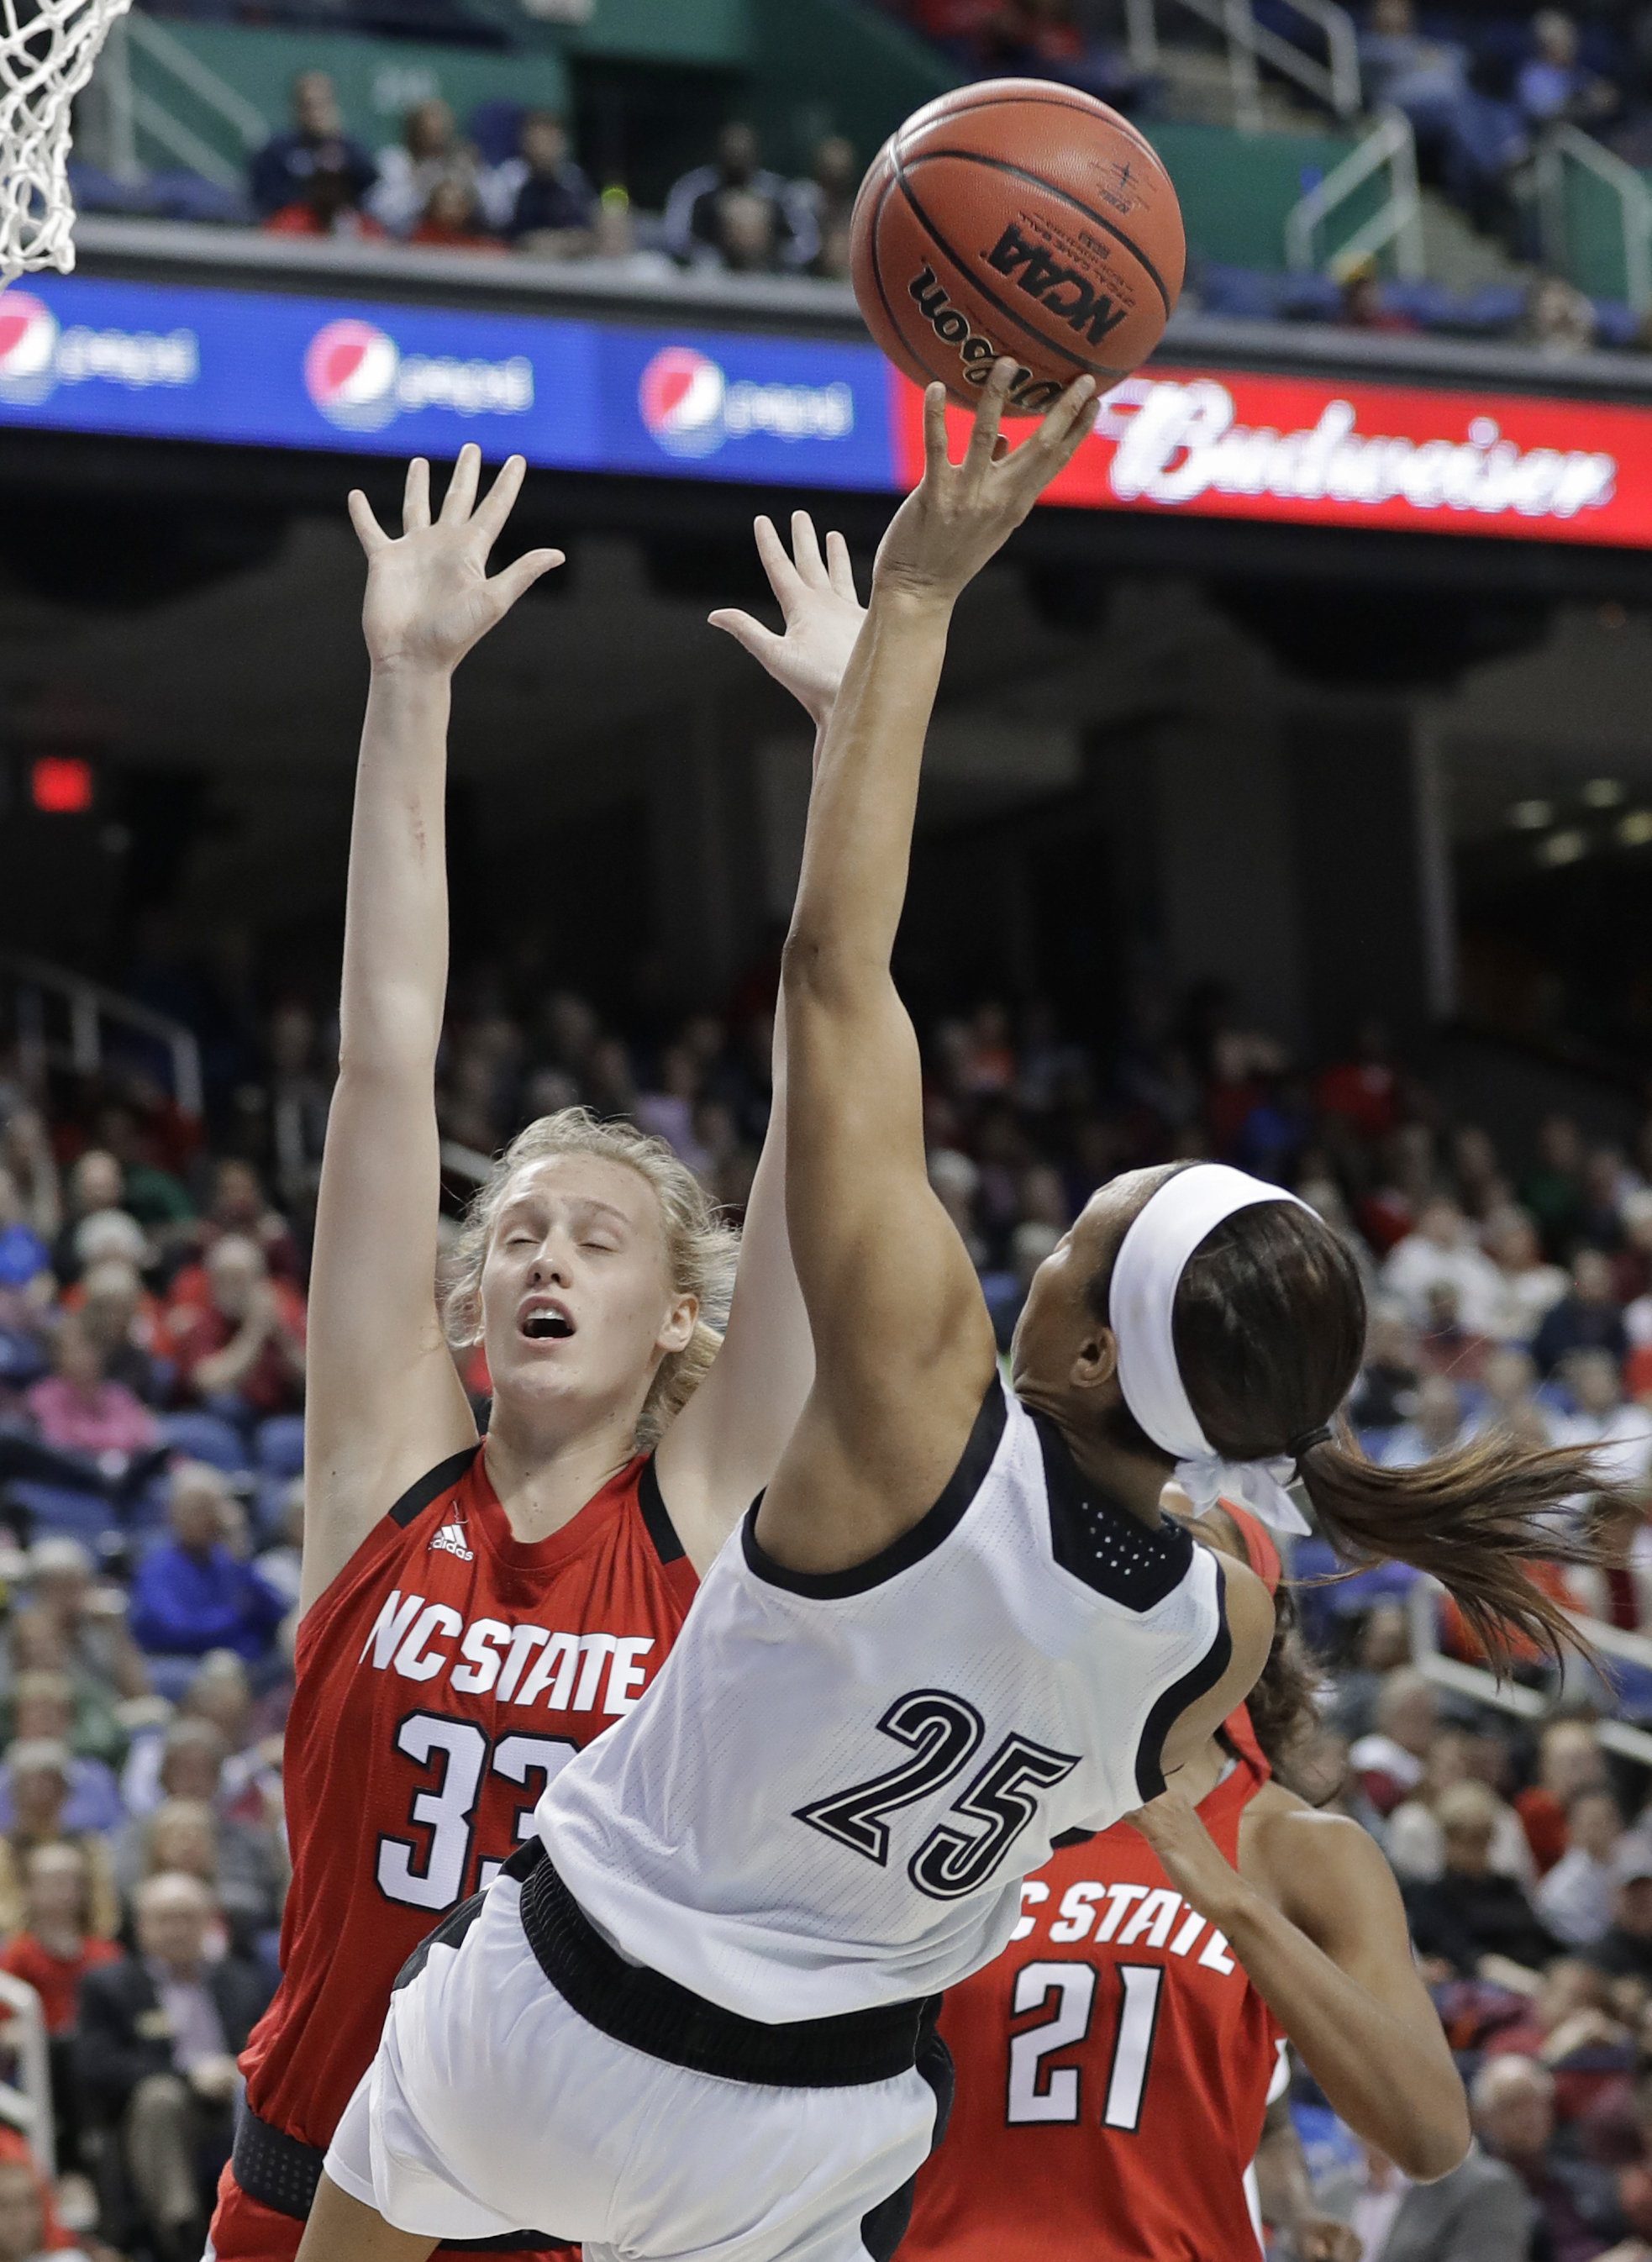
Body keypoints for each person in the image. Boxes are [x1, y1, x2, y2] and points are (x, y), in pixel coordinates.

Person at [297, 370, 1620, 2262]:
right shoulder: (1221, 1609)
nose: (1028, 1258)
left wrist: (915, 602)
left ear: (1082, 1350)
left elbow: (837, 976)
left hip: (566, 2012)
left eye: (1066, 1251)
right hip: (811, 2121)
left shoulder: (921, 1410)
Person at [205, 438, 817, 2262]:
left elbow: (824, 1074)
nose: (539, 1250)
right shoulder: (387, 1473)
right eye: (515, 1232)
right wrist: (407, 685)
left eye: (594, 1234)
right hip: (309, 2177)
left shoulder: (707, 1514)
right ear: (472, 1304)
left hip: (575, 2211)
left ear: (678, 1314)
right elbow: (384, 1056)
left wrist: (863, 739)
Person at [902, 1503, 1468, 2262]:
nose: (1144, 1551)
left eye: (1188, 1540)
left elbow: (1429, 2135)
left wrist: (1228, 1898)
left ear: (1257, 1608)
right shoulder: (955, 1805)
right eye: (1122, 1524)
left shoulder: (1296, 1846)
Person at [78, 1872, 274, 2262]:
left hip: (237, 2094)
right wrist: (187, 2077)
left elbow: (271, 2044)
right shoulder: (110, 1985)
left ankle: (272, 2224)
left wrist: (234, 2069)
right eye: (165, 1918)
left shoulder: (242, 1980)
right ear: (141, 1926)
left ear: (208, 1923)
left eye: (187, 1917)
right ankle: (181, 2233)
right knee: (160, 2098)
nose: (177, 1930)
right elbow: (96, 2065)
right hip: (162, 2108)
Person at [128, 1465, 287, 1673]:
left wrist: (240, 1552)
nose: (205, 1519)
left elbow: (273, 1612)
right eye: (196, 1509)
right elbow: (175, 1629)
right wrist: (233, 1618)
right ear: (172, 1513)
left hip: (237, 1661)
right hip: (181, 1662)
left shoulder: (228, 1560)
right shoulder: (156, 1565)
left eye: (211, 1510)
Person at [166, 1237, 307, 1428]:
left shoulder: (284, 1314)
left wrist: (284, 1339)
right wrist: (254, 1331)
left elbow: (312, 1379)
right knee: (224, 1404)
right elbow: (208, 1382)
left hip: (281, 1414)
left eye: (239, 1279)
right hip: (225, 1420)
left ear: (260, 1281)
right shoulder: (201, 1321)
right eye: (222, 1279)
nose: (230, 1288)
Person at [663, 122, 817, 271]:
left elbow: (806, 242)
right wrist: (717, 257)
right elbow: (676, 237)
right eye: (731, 150)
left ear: (757, 153)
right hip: (709, 271)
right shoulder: (694, 188)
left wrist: (770, 257)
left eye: (743, 151)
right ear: (719, 151)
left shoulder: (779, 192)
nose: (737, 156)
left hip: (771, 271)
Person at [250, 71, 376, 221]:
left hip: (340, 228)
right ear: (295, 107)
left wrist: (333, 140)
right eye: (307, 105)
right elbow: (264, 197)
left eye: (321, 104)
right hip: (292, 229)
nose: (314, 113)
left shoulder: (347, 147)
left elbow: (368, 182)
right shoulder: (277, 150)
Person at [495, 111, 595, 253]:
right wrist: (531, 242)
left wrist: (559, 242)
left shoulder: (573, 179)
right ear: (525, 142)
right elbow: (498, 233)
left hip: (566, 266)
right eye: (537, 140)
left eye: (550, 140)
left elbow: (588, 232)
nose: (544, 148)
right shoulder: (509, 177)